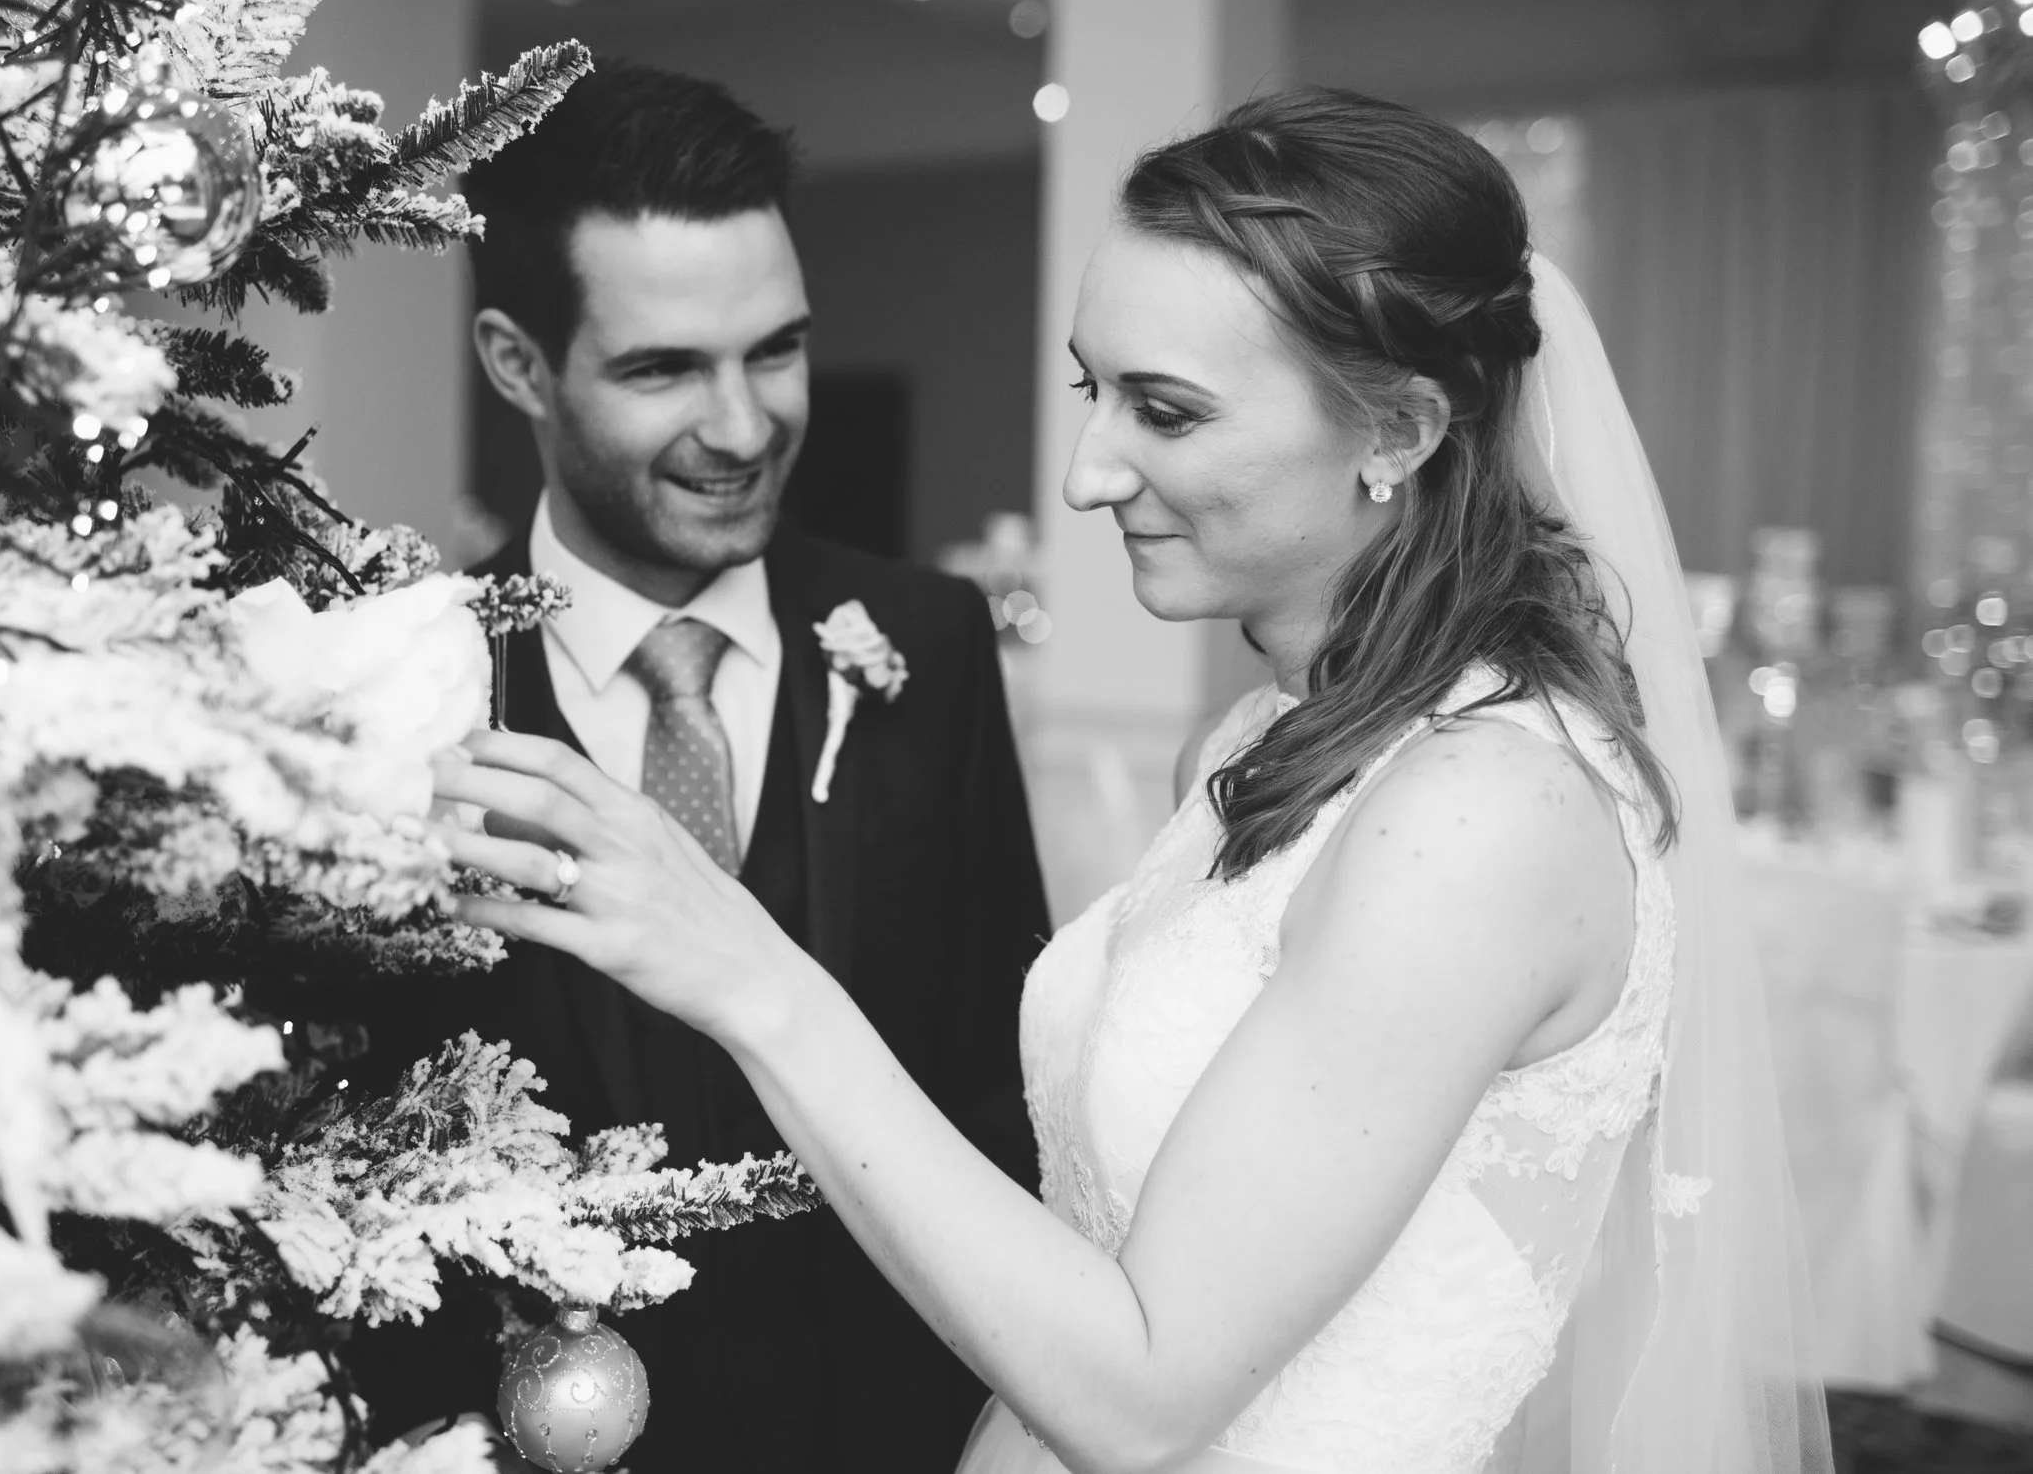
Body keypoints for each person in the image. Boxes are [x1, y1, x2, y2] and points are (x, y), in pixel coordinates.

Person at [431, 86, 1833, 1474]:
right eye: (1094, 389)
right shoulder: (1249, 749)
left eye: (1165, 410)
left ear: (1399, 431)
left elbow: (1148, 1392)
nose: (1090, 470)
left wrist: (755, 976)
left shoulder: (1483, 814)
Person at [354, 61, 1052, 1473]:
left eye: (774, 350)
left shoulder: (930, 641)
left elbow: (1000, 1084)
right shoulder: (390, 693)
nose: (743, 428)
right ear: (517, 363)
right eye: (664, 367)